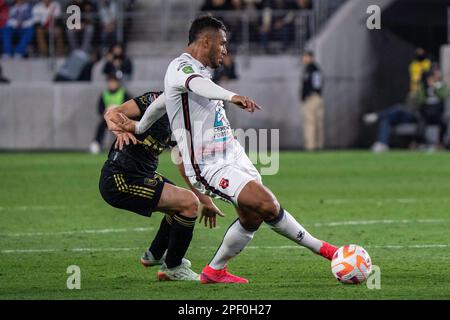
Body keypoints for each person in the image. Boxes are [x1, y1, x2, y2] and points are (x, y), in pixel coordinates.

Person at [119, 16, 338, 284]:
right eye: (222, 44)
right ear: (206, 41)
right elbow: (199, 87)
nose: (225, 50)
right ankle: (329, 251)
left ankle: (214, 271)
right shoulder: (181, 67)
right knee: (266, 204)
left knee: (253, 214)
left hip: (233, 154)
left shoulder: (199, 70)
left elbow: (162, 101)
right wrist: (231, 96)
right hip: (208, 164)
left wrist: (140, 127)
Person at [100, 90, 224, 281]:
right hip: (120, 178)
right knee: (187, 203)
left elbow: (185, 166)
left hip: (141, 174)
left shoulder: (185, 121)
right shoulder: (155, 100)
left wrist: (206, 201)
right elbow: (111, 112)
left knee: (182, 202)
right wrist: (120, 130)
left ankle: (154, 254)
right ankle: (173, 267)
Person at [90, 74, 131, 154]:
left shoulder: (124, 93)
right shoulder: (104, 94)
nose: (112, 84)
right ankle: (97, 143)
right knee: (101, 126)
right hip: (108, 119)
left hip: (121, 119)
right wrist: (105, 113)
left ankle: (126, 145)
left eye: (114, 82)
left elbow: (129, 107)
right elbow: (100, 108)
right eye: (110, 81)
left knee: (127, 128)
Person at [300, 50, 325, 151]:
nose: (304, 59)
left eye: (306, 57)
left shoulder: (312, 69)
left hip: (312, 98)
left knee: (311, 122)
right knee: (317, 122)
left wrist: (311, 93)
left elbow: (316, 84)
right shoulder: (312, 69)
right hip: (315, 97)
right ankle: (318, 144)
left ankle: (311, 146)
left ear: (311, 58)